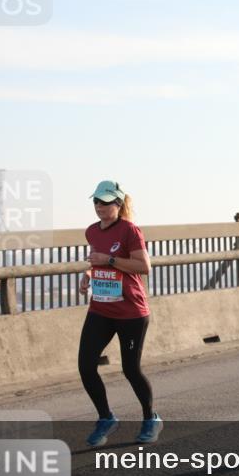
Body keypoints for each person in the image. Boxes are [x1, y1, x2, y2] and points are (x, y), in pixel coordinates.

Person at [78, 180, 162, 446]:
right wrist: (88, 275)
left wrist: (110, 260)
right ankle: (106, 418)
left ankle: (151, 418)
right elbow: (96, 260)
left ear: (118, 203)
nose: (99, 207)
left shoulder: (130, 230)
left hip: (131, 312)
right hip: (101, 308)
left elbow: (143, 266)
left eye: (105, 202)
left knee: (131, 369)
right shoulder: (92, 231)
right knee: (85, 365)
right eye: (96, 202)